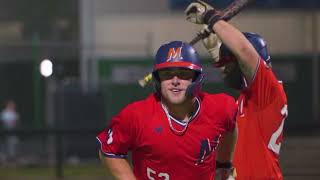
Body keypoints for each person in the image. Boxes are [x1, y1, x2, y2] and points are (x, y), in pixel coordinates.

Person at [97, 41, 238, 180]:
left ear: (197, 78)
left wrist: (223, 165)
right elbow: (109, 151)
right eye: (167, 74)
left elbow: (230, 129)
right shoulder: (136, 115)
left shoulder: (222, 107)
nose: (175, 80)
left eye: (183, 74)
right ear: (158, 80)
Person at [185, 1, 288, 179]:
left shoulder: (268, 90)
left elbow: (243, 51)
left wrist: (212, 17)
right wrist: (215, 47)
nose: (224, 70)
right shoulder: (250, 96)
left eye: (228, 65)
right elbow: (237, 63)